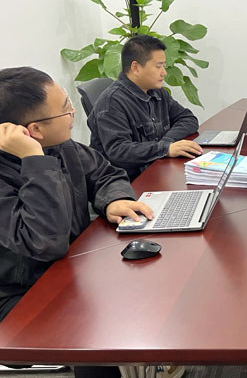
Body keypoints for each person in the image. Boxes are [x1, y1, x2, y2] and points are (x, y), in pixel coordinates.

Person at [0, 67, 158, 378]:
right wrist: (35, 161)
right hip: (21, 296)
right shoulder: (33, 160)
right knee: (94, 325)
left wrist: (113, 199)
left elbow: (105, 173)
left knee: (151, 287)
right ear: (34, 130)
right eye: (65, 109)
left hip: (70, 269)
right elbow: (45, 242)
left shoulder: (61, 147)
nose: (73, 112)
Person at [88, 34, 202, 181]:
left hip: (156, 169)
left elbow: (188, 119)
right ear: (135, 68)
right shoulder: (111, 102)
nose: (164, 72)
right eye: (158, 66)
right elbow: (118, 151)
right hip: (125, 182)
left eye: (164, 66)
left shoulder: (157, 92)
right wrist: (165, 148)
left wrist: (167, 143)